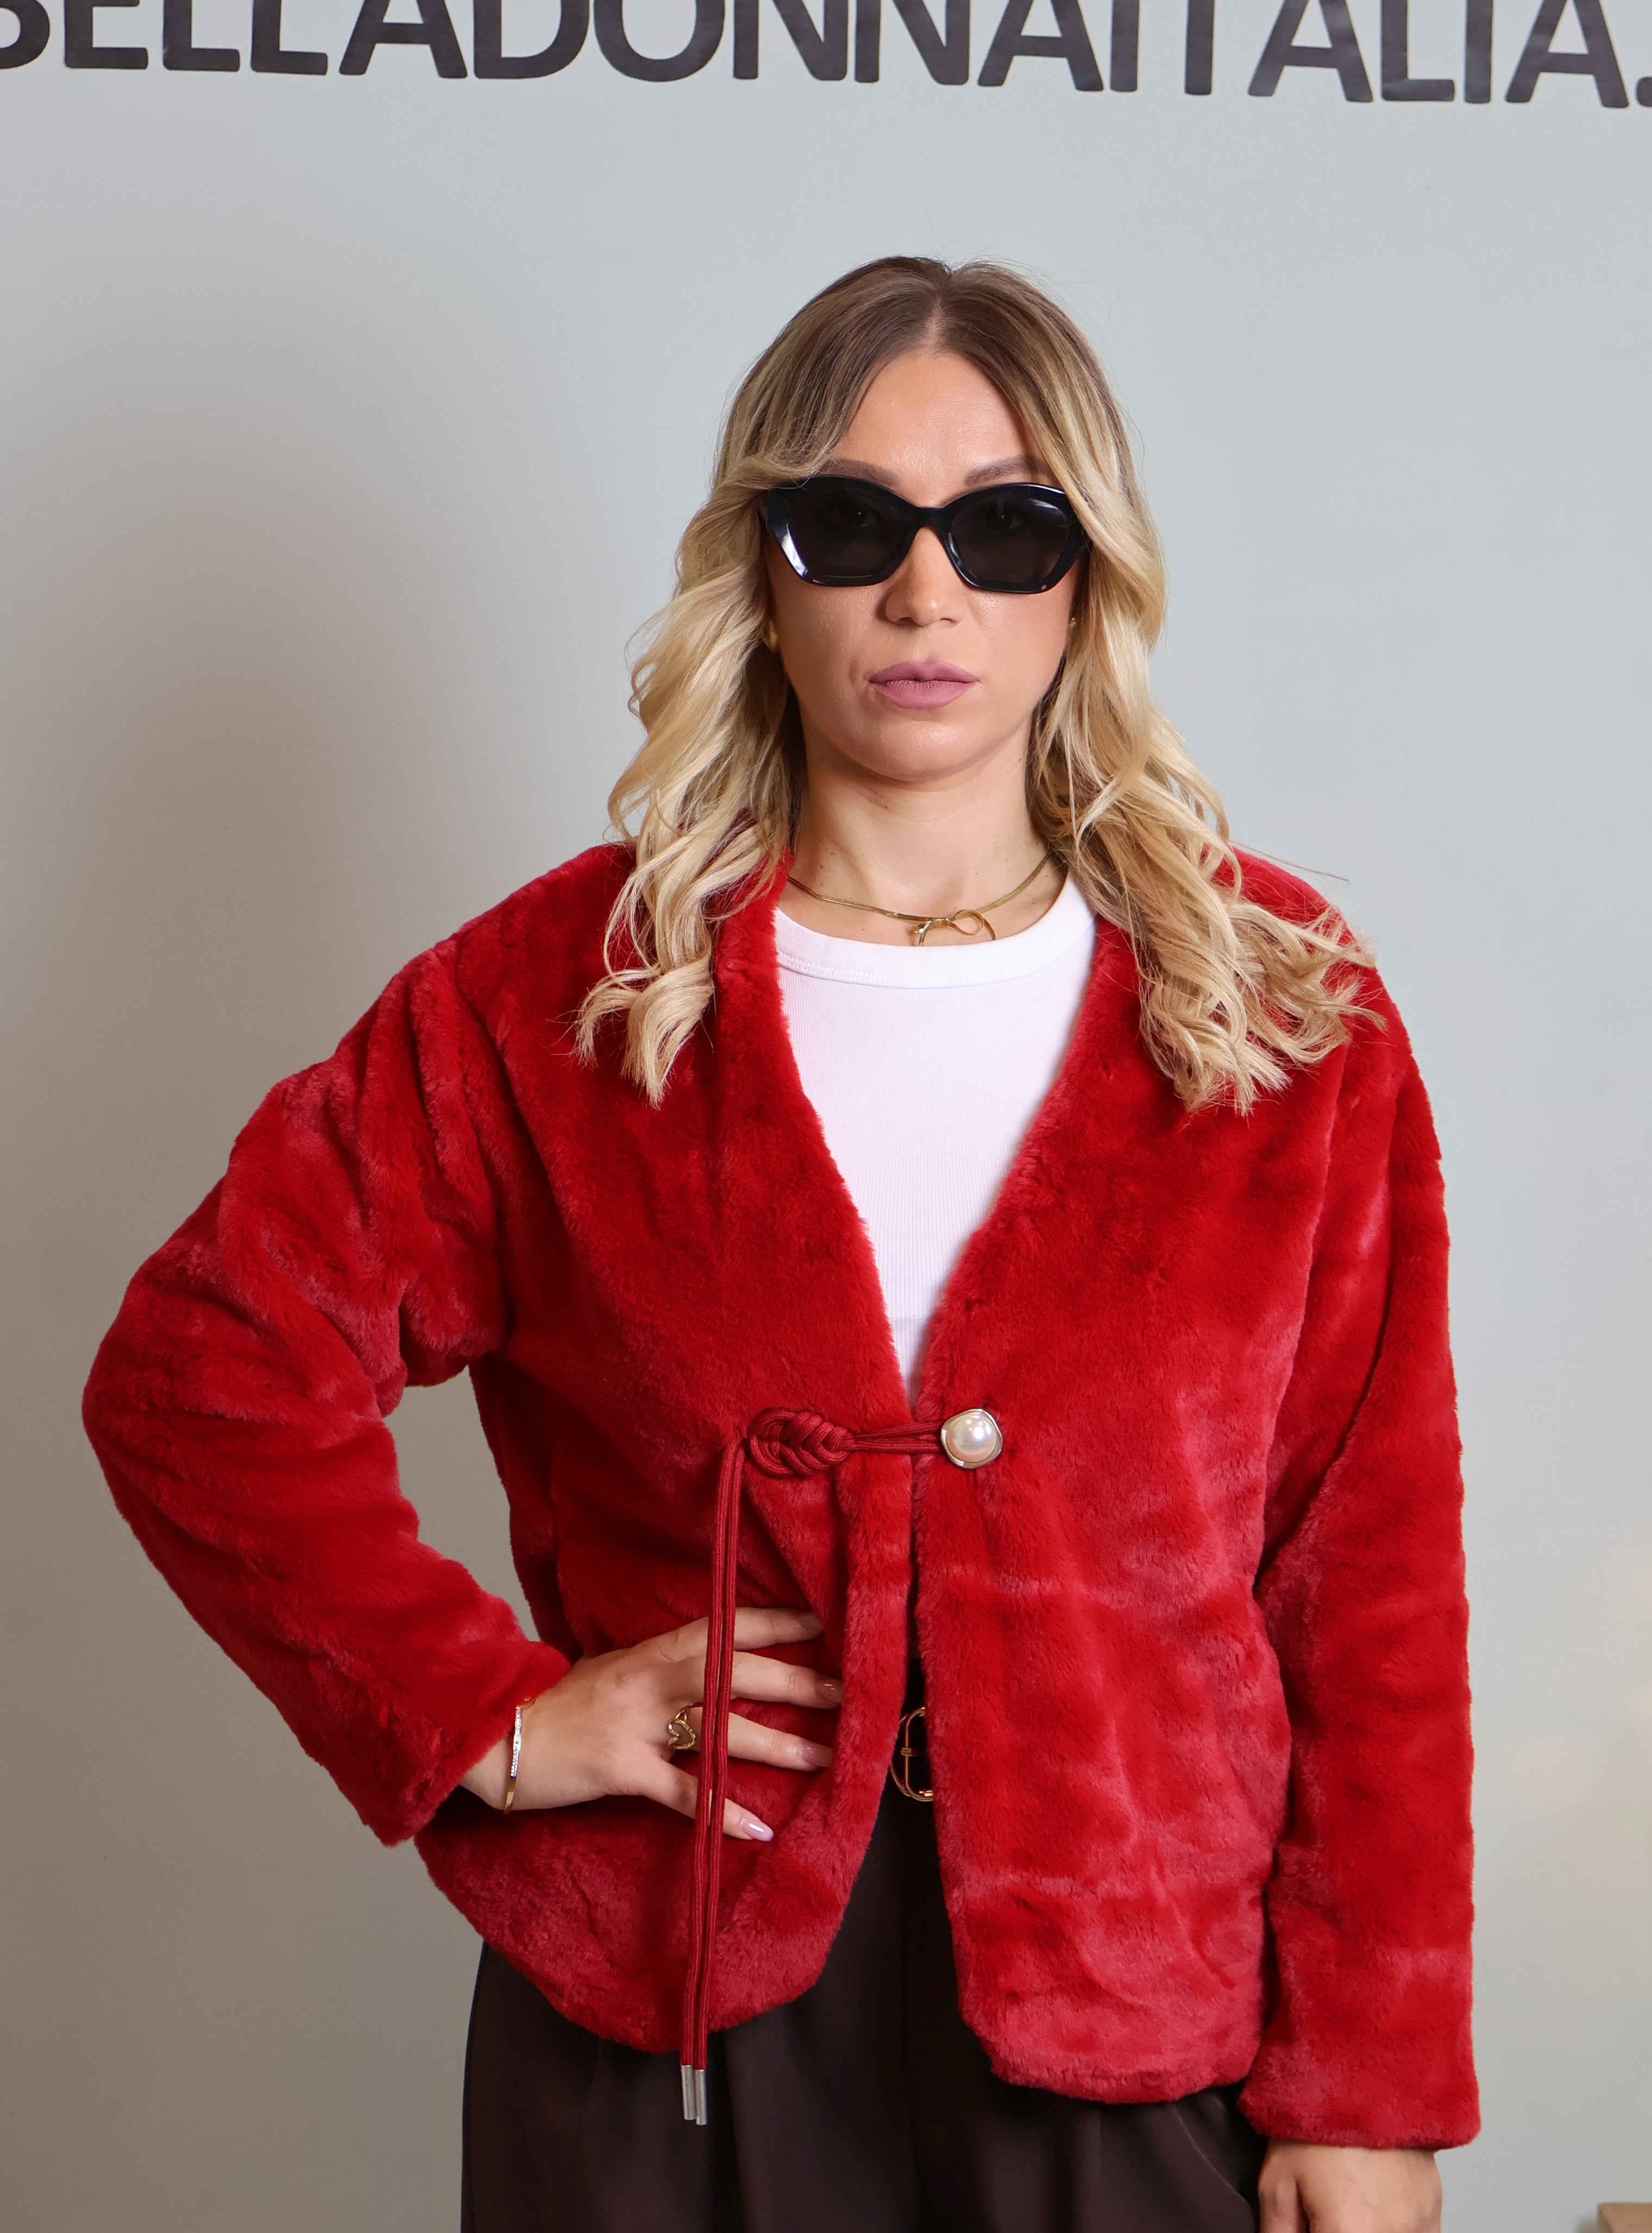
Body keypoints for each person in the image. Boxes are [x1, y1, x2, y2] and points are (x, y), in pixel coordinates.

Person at [83, 256, 1477, 2233]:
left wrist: (1370, 2089)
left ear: (1086, 576)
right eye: (852, 524)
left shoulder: (1275, 1009)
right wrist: (483, 1719)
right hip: (669, 2016)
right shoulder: (555, 999)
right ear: (764, 563)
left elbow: (1371, 1576)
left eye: (1003, 529)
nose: (927, 595)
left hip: (1141, 2003)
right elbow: (198, 1371)